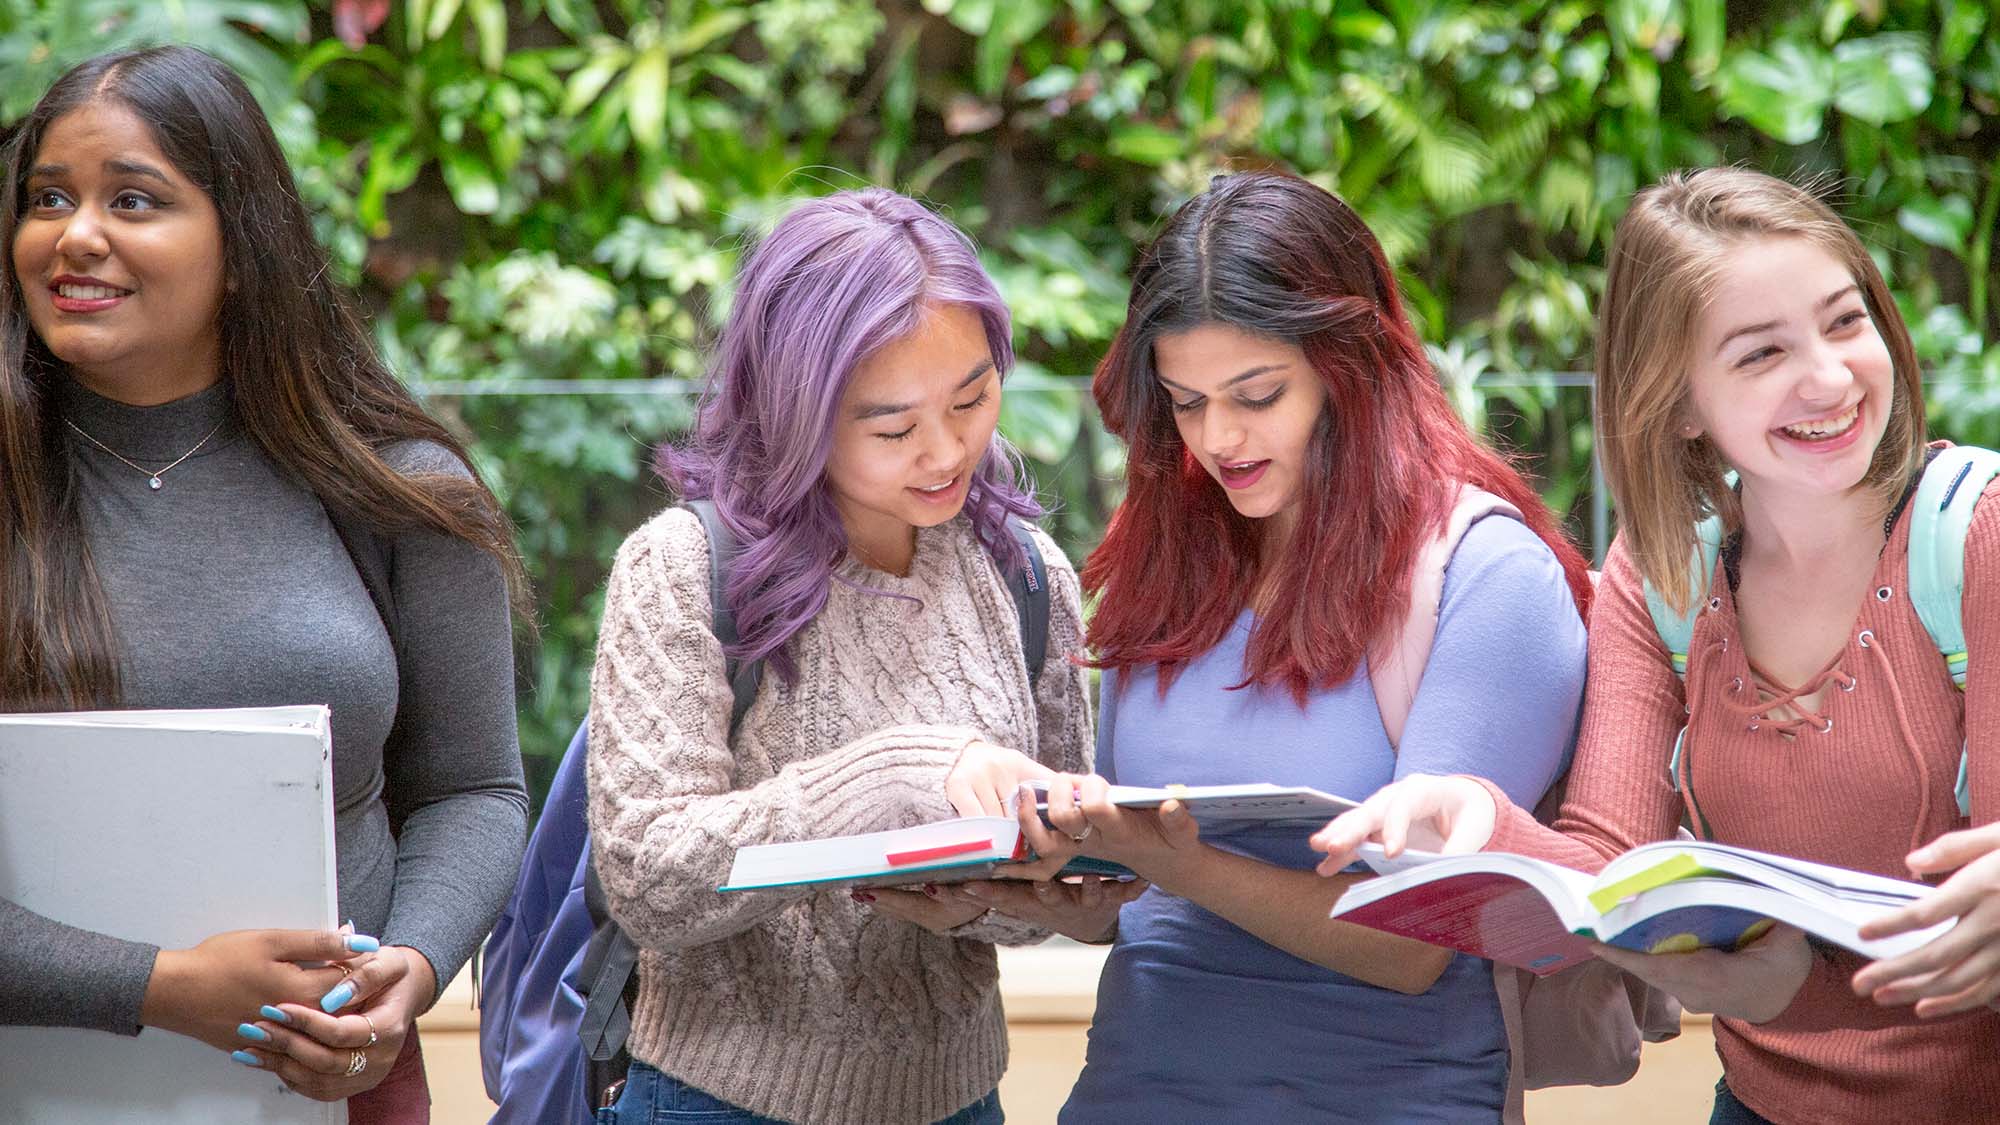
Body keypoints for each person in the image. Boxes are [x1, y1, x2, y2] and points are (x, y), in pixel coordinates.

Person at [1313, 167, 2000, 1123]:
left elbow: (1986, 908)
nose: (1834, 377)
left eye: (1846, 322)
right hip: (1759, 1103)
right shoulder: (1663, 571)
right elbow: (1608, 870)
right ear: (1680, 405)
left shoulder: (1977, 534)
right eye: (1761, 355)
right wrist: (1467, 811)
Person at [977, 170, 1592, 1123]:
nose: (1218, 438)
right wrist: (1071, 888)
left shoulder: (1486, 574)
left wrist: (1179, 867)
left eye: (1257, 394)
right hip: (1139, 1089)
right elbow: (1138, 887)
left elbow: (1413, 945)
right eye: (1184, 402)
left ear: (1350, 366)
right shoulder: (1176, 554)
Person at [0, 46, 529, 1119]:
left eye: (133, 199)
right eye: (48, 197)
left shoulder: (399, 490)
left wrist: (411, 973)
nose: (76, 234)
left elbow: (473, 791)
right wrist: (161, 988)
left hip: (331, 1084)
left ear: (242, 246)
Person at [585, 187, 1110, 1125]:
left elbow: (1061, 887)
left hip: (958, 1101)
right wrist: (898, 775)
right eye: (893, 427)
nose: (946, 451)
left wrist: (983, 898)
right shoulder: (683, 566)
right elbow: (648, 878)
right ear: (797, 407)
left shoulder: (1030, 578)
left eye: (973, 396)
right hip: (718, 1102)